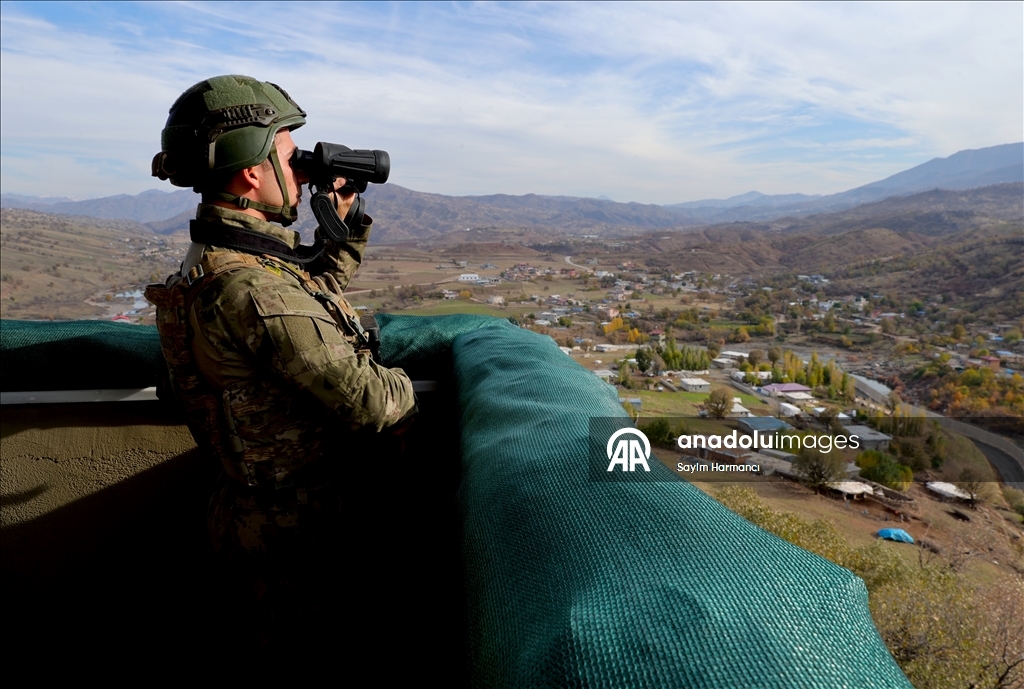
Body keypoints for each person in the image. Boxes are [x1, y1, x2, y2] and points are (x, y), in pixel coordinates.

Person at [146, 75, 416, 630]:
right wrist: (412, 385)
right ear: (251, 172)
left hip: (266, 518)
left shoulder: (224, 258)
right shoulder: (249, 288)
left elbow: (305, 297)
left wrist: (342, 221)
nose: (301, 170)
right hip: (299, 536)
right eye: (290, 158)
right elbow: (372, 404)